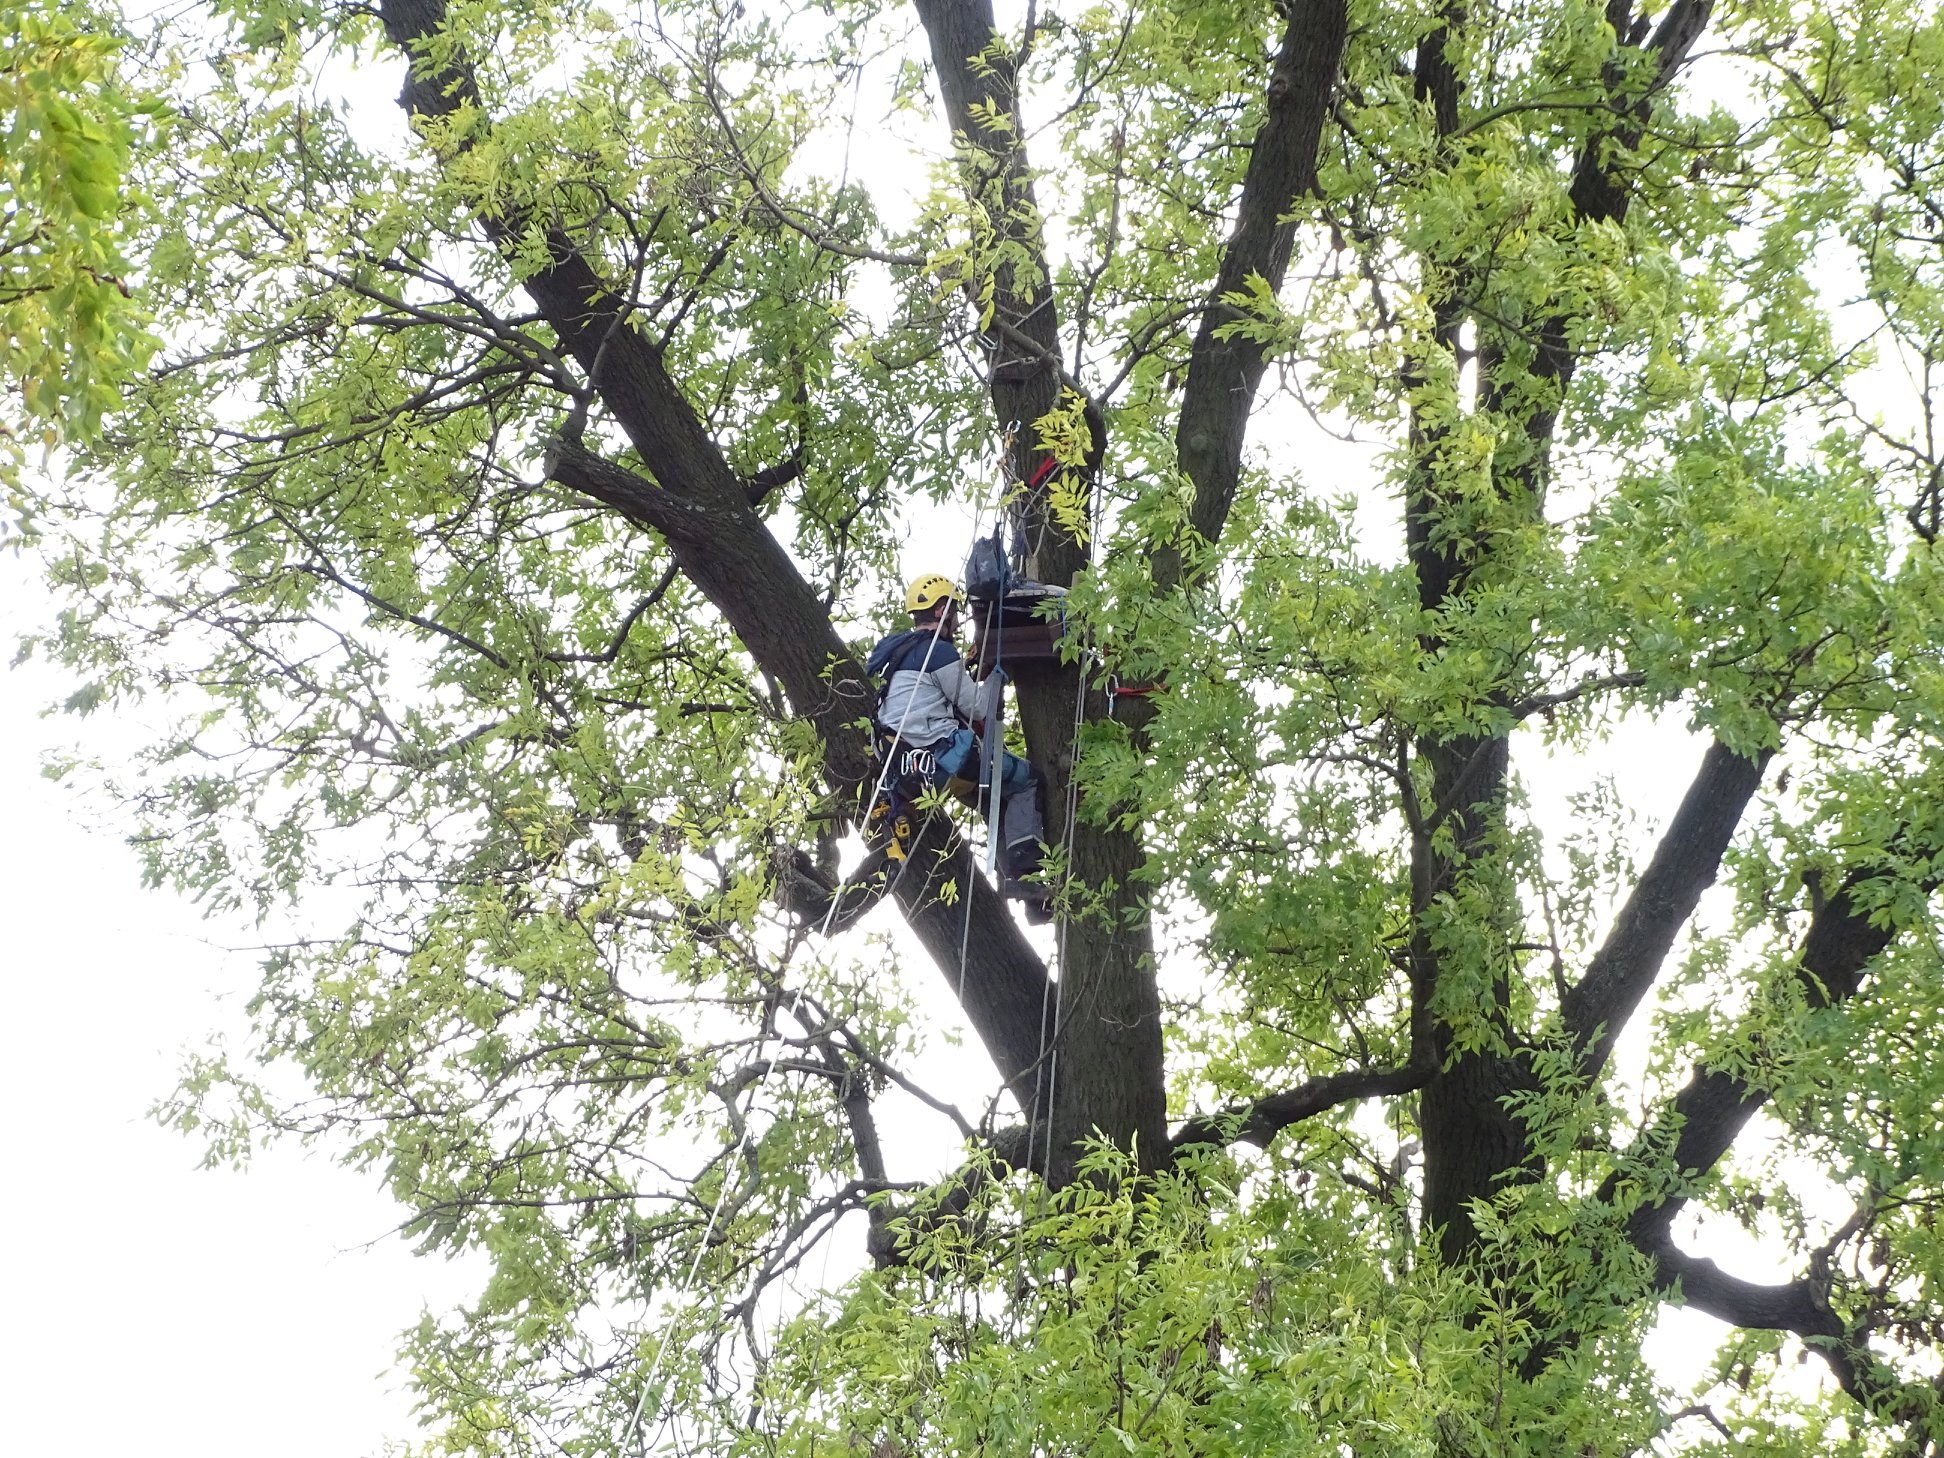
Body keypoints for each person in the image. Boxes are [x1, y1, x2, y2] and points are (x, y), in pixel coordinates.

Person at [867, 573, 1049, 916]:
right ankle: (1024, 870)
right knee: (1027, 780)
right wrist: (996, 675)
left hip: (915, 773)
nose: (956, 620)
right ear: (940, 611)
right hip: (948, 759)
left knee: (994, 802)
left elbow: (928, 700)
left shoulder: (900, 654)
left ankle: (1023, 887)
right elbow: (978, 707)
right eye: (952, 611)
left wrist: (968, 669)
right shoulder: (938, 651)